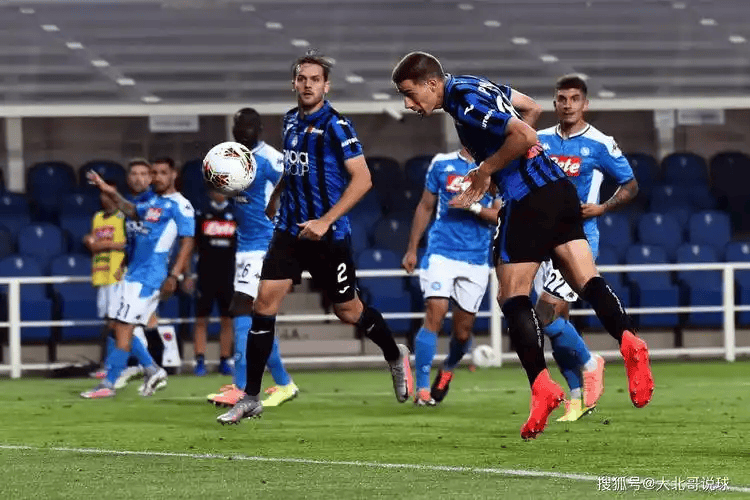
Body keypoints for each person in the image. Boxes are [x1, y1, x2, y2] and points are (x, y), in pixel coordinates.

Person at [391, 52, 653, 439]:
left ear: (431, 83)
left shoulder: (463, 100)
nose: (408, 104)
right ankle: (630, 340)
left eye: (410, 93)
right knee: (586, 279)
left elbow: (526, 135)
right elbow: (530, 108)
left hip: (527, 198)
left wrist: (487, 169)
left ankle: (542, 388)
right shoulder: (476, 82)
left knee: (511, 295)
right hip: (559, 189)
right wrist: (501, 163)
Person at [217, 51, 412, 424]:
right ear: (294, 83)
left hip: (329, 235)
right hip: (289, 231)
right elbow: (293, 170)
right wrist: (276, 198)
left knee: (348, 311)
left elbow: (363, 179)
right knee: (263, 304)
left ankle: (393, 354)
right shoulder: (290, 120)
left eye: (315, 79)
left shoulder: (337, 125)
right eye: (302, 78)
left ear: (326, 86)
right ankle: (251, 397)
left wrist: (325, 220)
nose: (308, 85)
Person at [534, 74, 640, 421]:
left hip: (579, 241)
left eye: (574, 99)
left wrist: (603, 207)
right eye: (562, 99)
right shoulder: (540, 140)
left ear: (585, 104)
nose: (568, 105)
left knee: (545, 313)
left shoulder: (599, 143)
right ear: (555, 103)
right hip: (542, 241)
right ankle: (577, 399)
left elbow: (631, 185)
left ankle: (591, 362)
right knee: (555, 325)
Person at [206, 107, 299, 409]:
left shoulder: (269, 158)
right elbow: (222, 192)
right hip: (246, 245)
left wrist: (275, 200)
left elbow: (295, 177)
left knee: (241, 308)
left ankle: (242, 386)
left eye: (248, 127)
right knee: (260, 315)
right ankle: (284, 383)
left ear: (259, 130)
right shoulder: (232, 156)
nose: (242, 132)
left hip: (265, 244)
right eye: (238, 127)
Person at [81, 158, 195, 399]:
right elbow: (131, 212)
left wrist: (175, 275)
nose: (156, 177)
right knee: (119, 326)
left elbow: (188, 241)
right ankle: (152, 370)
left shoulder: (181, 205)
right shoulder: (153, 202)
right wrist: (108, 191)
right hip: (133, 273)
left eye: (162, 173)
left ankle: (109, 383)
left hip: (149, 277)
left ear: (173, 175)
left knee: (123, 328)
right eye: (154, 173)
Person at [402, 147, 502, 406]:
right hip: (441, 252)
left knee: (462, 333)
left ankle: (447, 369)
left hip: (476, 259)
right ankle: (423, 388)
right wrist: (412, 248)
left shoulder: (497, 167)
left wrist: (473, 206)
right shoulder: (441, 163)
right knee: (435, 312)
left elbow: (499, 215)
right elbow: (425, 206)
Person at [83, 180, 127, 378]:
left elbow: (128, 243)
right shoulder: (98, 217)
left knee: (115, 322)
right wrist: (93, 242)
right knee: (108, 321)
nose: (106, 198)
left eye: (110, 194)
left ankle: (111, 365)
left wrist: (104, 245)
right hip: (101, 274)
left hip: (117, 275)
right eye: (103, 194)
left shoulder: (123, 217)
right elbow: (93, 243)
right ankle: (111, 364)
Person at [192, 190, 237, 377]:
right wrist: (188, 274)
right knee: (201, 319)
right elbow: (191, 244)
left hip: (229, 275)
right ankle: (200, 360)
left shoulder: (236, 213)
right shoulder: (201, 213)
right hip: (205, 274)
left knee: (227, 319)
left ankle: (225, 360)